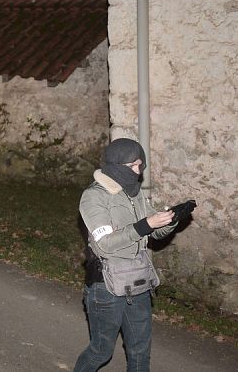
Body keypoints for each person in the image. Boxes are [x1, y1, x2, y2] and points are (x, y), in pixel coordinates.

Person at [73, 138, 177, 372]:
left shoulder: (134, 194)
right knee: (101, 350)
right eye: (133, 166)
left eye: (141, 166)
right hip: (106, 286)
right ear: (117, 166)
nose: (138, 172)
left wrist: (170, 220)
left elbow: (156, 231)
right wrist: (144, 225)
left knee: (140, 351)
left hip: (138, 279)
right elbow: (106, 245)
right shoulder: (94, 196)